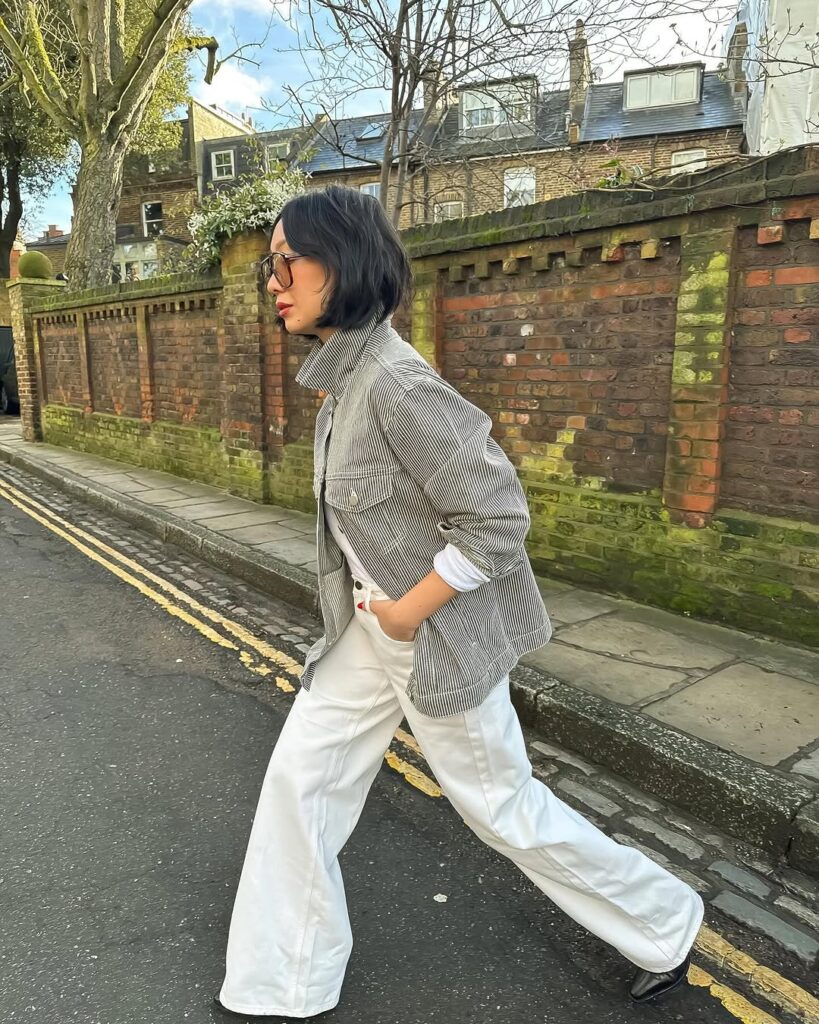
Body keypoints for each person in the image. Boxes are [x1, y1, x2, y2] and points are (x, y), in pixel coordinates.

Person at [214, 185, 703, 1020]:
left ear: (347, 263)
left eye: (287, 260)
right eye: (270, 263)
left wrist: (408, 612)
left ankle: (663, 921)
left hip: (429, 634)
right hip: (369, 634)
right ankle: (281, 982)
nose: (272, 279)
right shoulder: (345, 379)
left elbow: (498, 518)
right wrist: (379, 617)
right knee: (301, 783)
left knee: (503, 809)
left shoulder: (398, 386)